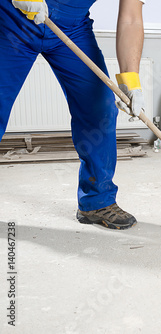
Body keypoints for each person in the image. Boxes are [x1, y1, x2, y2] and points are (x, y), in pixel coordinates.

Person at [0, 0, 146, 230]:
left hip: (72, 26)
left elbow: (131, 18)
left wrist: (131, 80)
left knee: (99, 106)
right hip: (13, 19)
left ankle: (97, 201)